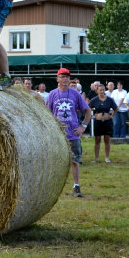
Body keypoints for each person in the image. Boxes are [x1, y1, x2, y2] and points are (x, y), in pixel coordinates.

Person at [46, 68, 92, 197]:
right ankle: (54, 187)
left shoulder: (75, 94)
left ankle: (76, 186)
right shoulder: (52, 94)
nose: (65, 79)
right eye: (62, 76)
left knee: (75, 161)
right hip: (58, 134)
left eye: (67, 77)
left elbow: (88, 111)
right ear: (57, 79)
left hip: (73, 133)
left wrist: (83, 126)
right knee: (57, 160)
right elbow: (47, 112)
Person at [89, 84, 117, 163]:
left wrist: (112, 116)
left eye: (103, 90)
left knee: (107, 139)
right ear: (97, 91)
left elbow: (116, 108)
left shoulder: (109, 99)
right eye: (100, 90)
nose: (102, 91)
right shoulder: (94, 100)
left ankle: (107, 157)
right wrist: (92, 116)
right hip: (98, 122)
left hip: (107, 122)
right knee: (97, 140)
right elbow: (87, 108)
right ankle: (96, 158)